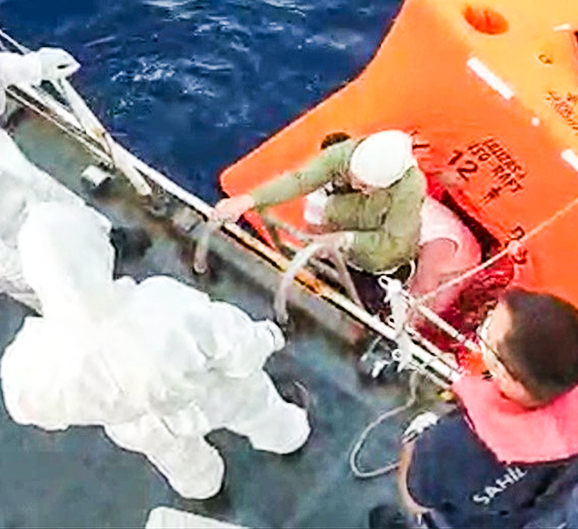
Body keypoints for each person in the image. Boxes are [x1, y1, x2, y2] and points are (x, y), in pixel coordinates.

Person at [0, 202, 311, 500]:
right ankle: (287, 437)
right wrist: (270, 337)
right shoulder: (160, 303)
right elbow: (235, 345)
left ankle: (203, 487)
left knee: (178, 460)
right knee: (257, 407)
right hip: (210, 395)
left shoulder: (29, 360)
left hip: (135, 427)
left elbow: (30, 408)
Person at [385, 288, 578, 529]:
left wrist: (416, 439)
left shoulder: (452, 444)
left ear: (505, 374)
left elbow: (416, 499)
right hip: (559, 512)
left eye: (487, 331)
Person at [212, 130, 426, 312]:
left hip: (379, 268)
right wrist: (247, 200)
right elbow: (300, 180)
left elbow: (394, 245)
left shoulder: (410, 188)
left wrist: (345, 239)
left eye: (365, 187)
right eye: (353, 179)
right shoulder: (343, 155)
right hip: (339, 254)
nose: (356, 186)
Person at [0, 47, 83, 309]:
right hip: (8, 236)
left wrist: (35, 66)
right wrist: (41, 283)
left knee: (51, 195)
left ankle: (107, 240)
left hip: (13, 170)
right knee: (52, 292)